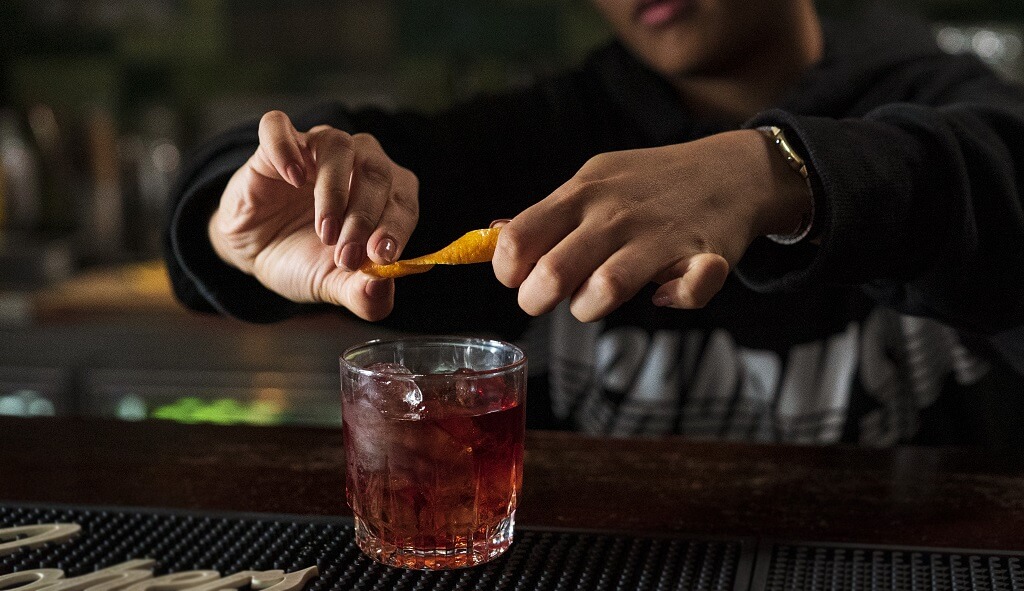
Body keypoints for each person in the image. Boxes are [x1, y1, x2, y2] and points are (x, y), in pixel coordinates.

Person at [166, 0, 1024, 448]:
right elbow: (328, 160)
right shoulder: (542, 137)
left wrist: (776, 169)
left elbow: (994, 167)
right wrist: (234, 225)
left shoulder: (938, 97)